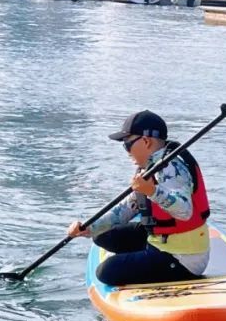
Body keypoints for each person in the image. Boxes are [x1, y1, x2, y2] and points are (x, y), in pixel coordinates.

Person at [67, 110, 211, 286]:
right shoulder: (150, 166)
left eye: (127, 144)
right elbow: (126, 208)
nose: (126, 151)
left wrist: (152, 191)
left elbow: (185, 211)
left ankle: (148, 262)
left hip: (183, 258)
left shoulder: (171, 168)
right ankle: (142, 258)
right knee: (100, 234)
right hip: (161, 240)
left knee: (106, 272)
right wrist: (88, 227)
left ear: (146, 141)